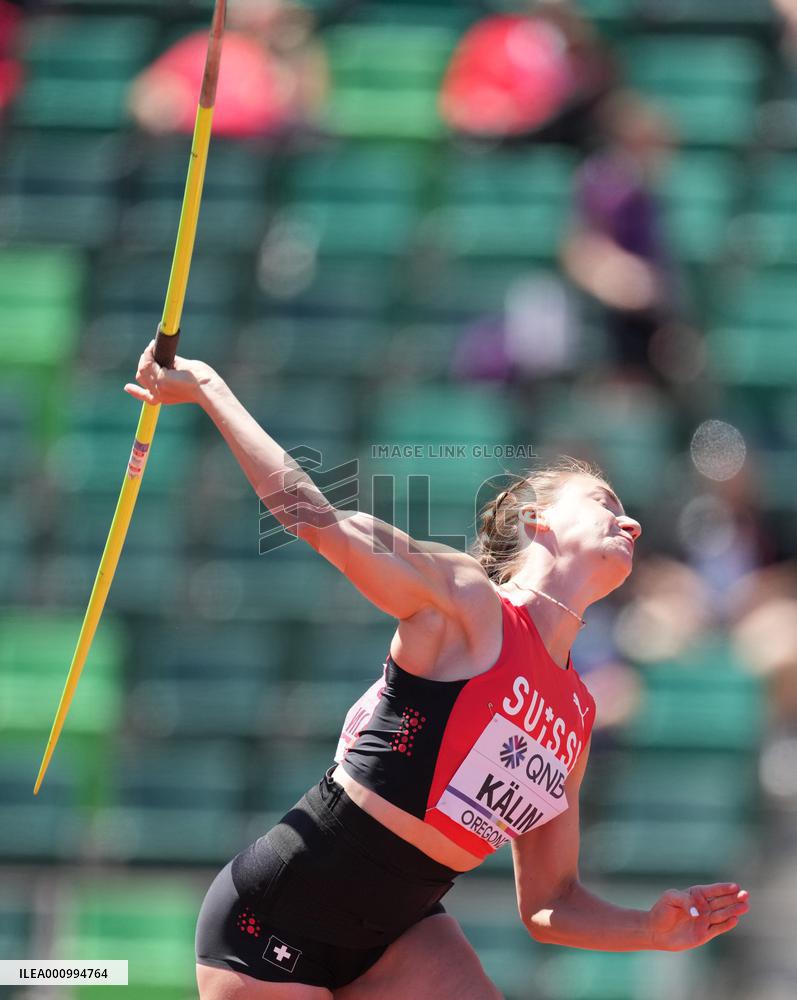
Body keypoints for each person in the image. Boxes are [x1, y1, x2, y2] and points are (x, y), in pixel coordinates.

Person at [125, 343, 750, 998]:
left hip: (399, 933)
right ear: (536, 519)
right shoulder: (468, 605)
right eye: (603, 502)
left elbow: (549, 902)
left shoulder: (576, 711)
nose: (631, 521)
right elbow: (316, 521)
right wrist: (208, 387)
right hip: (275, 917)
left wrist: (647, 929)